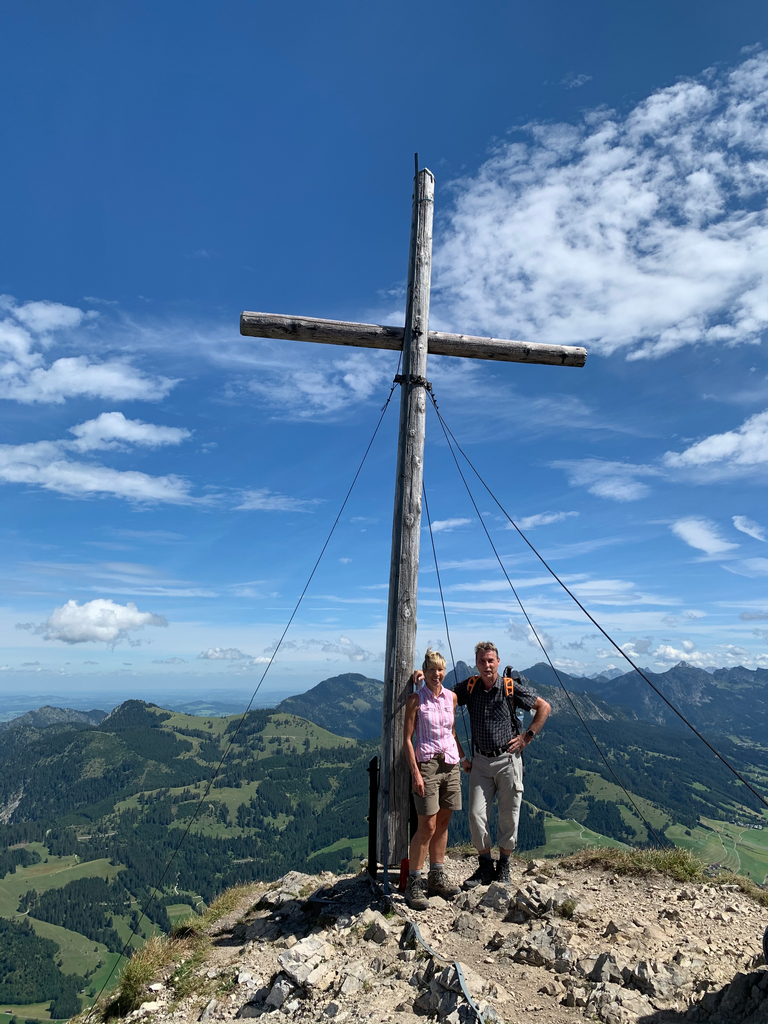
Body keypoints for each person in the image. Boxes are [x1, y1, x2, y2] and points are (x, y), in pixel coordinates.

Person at [453, 641, 551, 887]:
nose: (486, 665)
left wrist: (526, 737)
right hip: (480, 760)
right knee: (476, 815)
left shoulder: (509, 687)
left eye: (490, 660)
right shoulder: (470, 686)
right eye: (482, 661)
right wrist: (423, 679)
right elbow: (444, 698)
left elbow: (544, 707)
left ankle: (504, 866)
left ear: (498, 661)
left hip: (507, 759)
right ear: (476, 664)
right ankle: (486, 866)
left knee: (509, 816)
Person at [403, 648, 468, 910]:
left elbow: (451, 732)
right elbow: (407, 740)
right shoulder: (415, 700)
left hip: (450, 763)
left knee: (443, 822)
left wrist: (462, 758)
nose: (437, 674)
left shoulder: (451, 698)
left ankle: (437, 875)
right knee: (427, 826)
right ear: (425, 671)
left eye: (440, 670)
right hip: (427, 765)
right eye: (432, 670)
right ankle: (414, 882)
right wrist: (416, 773)